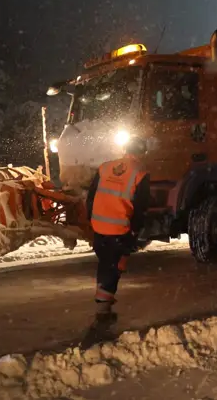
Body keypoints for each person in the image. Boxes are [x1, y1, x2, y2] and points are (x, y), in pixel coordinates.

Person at [85, 136, 152, 319]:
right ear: (142, 152)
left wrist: (90, 219)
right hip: (119, 228)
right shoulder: (141, 173)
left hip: (99, 226)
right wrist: (135, 231)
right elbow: (140, 207)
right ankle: (103, 307)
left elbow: (91, 197)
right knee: (115, 266)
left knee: (106, 263)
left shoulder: (105, 167)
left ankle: (103, 298)